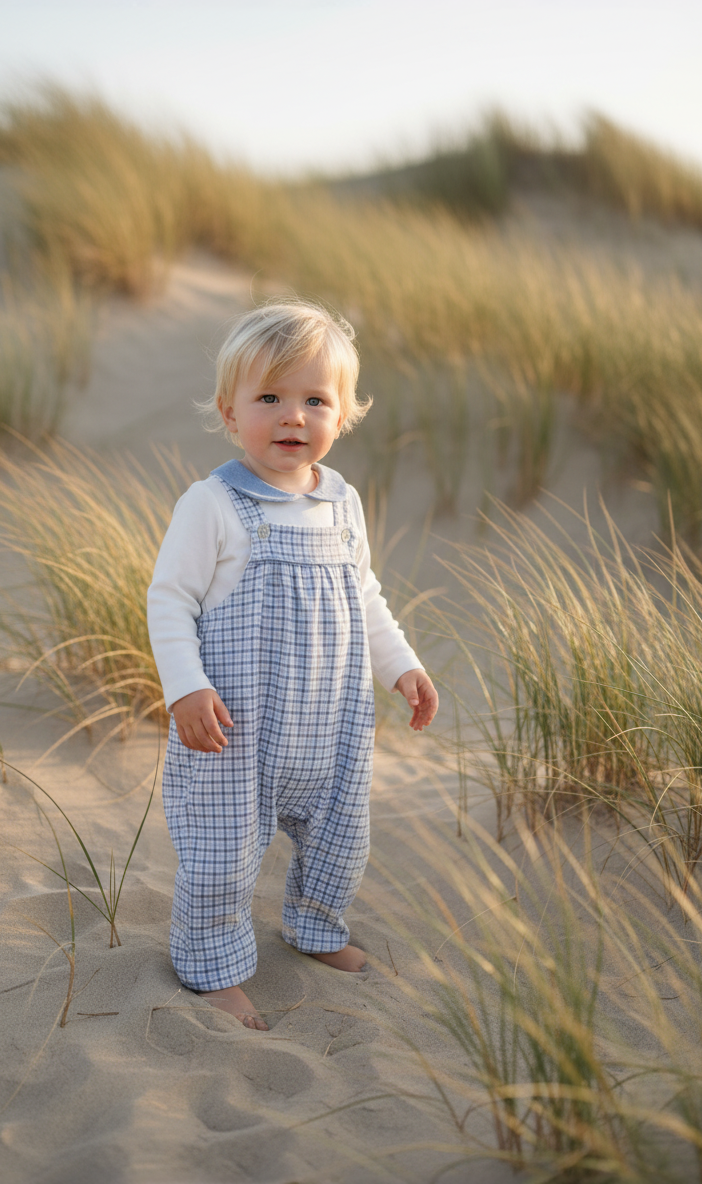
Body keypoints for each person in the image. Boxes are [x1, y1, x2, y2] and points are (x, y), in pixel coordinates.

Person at [147, 300, 438, 1030]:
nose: (293, 417)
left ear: (344, 415)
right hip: (236, 728)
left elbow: (364, 595)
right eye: (270, 398)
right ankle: (212, 966)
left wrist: (402, 666)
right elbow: (170, 599)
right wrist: (186, 687)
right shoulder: (213, 504)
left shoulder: (342, 503)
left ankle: (315, 926)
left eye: (315, 400)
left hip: (331, 725)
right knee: (221, 855)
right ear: (230, 412)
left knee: (342, 841)